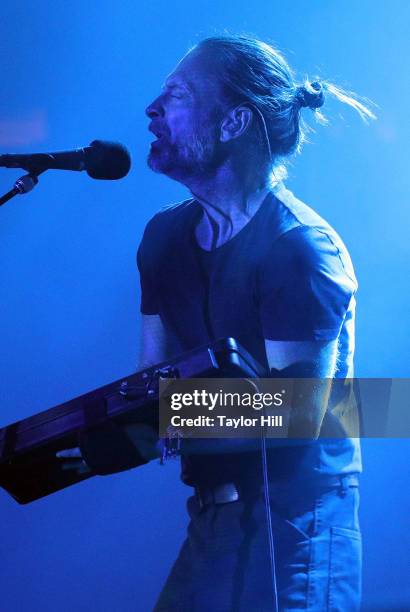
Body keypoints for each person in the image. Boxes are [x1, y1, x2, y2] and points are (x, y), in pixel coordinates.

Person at [136, 34, 375, 611]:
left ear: (234, 121)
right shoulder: (162, 240)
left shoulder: (299, 248)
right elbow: (151, 385)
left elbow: (297, 414)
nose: (152, 110)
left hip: (300, 528)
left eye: (177, 95)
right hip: (211, 519)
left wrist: (166, 413)